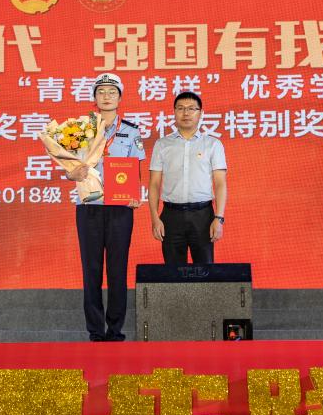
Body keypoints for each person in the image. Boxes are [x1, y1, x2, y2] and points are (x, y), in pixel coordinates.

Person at [67, 73, 144, 341]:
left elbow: (135, 167)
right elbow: (69, 165)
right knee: (91, 270)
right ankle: (95, 331)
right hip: (89, 206)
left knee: (117, 269)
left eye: (112, 92)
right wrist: (72, 174)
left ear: (120, 98)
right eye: (101, 92)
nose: (107, 96)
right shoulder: (80, 130)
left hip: (120, 207)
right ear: (94, 98)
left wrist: (134, 194)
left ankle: (115, 329)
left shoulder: (131, 130)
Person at [148, 92, 227, 264]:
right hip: (171, 216)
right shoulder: (162, 144)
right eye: (181, 108)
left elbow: (220, 183)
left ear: (201, 113)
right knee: (173, 272)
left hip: (203, 216)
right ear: (174, 112)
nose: (186, 113)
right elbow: (154, 184)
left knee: (205, 271)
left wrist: (219, 218)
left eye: (192, 109)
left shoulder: (213, 144)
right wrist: (155, 218)